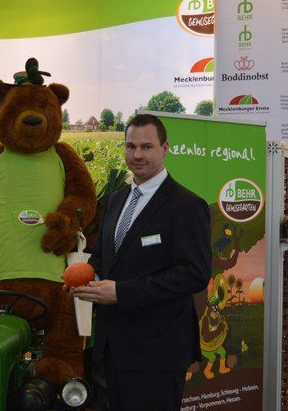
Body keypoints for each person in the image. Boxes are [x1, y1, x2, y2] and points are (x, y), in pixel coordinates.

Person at [72, 114, 211, 411]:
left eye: (147, 147)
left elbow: (194, 274)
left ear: (165, 149)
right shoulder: (116, 200)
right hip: (113, 347)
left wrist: (121, 292)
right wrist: (83, 278)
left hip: (157, 351)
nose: (137, 155)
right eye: (131, 146)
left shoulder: (187, 206)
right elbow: (103, 256)